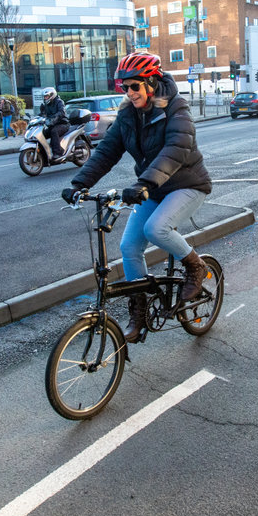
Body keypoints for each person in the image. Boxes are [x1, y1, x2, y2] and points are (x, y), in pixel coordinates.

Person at [63, 52, 213, 342]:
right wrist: (79, 183)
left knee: (156, 229)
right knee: (129, 246)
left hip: (188, 185)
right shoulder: (128, 115)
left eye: (134, 86)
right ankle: (140, 313)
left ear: (151, 84)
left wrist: (144, 182)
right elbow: (107, 150)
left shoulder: (176, 109)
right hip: (154, 187)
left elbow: (176, 149)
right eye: (124, 87)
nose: (129, 93)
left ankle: (196, 266)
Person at [39, 87, 69, 158]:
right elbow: (42, 114)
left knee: (54, 131)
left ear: (52, 95)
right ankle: (43, 154)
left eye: (47, 96)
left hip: (63, 123)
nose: (45, 98)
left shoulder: (59, 102)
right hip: (52, 124)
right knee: (41, 134)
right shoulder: (46, 105)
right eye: (44, 97)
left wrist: (54, 118)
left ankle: (57, 153)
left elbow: (61, 112)